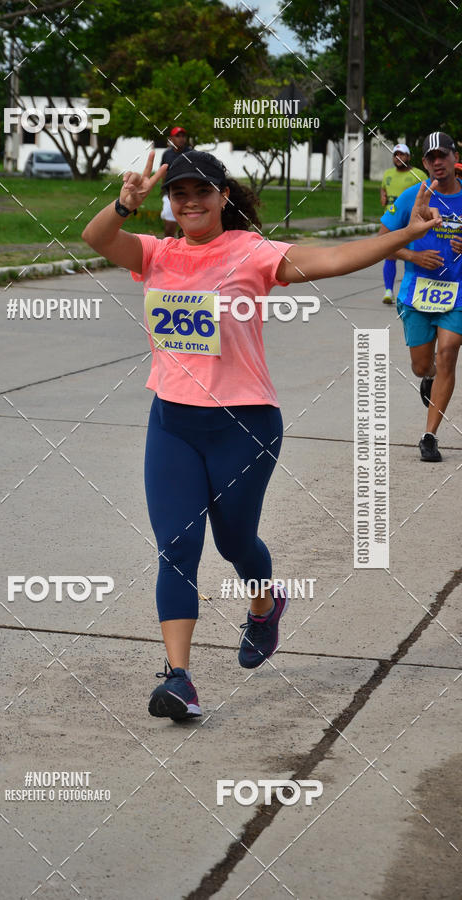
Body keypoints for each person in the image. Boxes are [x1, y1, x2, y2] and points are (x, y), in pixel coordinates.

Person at [81, 149, 440, 722]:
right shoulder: (157, 252)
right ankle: (179, 679)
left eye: (201, 191)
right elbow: (97, 236)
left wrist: (400, 238)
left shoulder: (251, 253)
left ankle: (265, 604)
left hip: (244, 427)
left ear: (224, 196)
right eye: (179, 194)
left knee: (235, 542)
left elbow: (336, 257)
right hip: (172, 422)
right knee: (176, 548)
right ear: (169, 204)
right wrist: (127, 202)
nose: (190, 202)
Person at [379, 131, 462, 463]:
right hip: (418, 294)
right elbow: (383, 239)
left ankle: (429, 437)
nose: (437, 162)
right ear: (424, 162)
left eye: (442, 155)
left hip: (458, 294)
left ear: (455, 157)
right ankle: (427, 378)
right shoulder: (415, 196)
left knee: (449, 351)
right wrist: (414, 257)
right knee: (421, 365)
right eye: (430, 158)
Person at [380, 143, 426, 304]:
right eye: (395, 155)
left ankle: (414, 290)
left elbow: (428, 193)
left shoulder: (418, 174)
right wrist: (383, 196)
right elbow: (383, 189)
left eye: (402, 154)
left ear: (408, 156)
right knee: (390, 254)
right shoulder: (388, 174)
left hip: (411, 222)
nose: (398, 158)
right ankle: (388, 291)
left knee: (413, 256)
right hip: (393, 221)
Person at [160, 126, 189, 237]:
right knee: (169, 227)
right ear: (171, 139)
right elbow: (164, 172)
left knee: (186, 227)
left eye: (183, 136)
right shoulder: (167, 154)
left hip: (187, 195)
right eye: (177, 136)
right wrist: (164, 190)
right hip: (170, 193)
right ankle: (167, 250)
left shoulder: (190, 153)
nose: (181, 138)